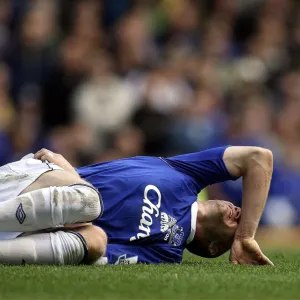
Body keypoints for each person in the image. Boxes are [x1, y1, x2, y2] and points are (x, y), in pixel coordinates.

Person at [32, 145, 273, 266]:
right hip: (41, 175)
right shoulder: (188, 175)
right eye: (243, 216)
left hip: (38, 222)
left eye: (239, 224)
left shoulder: (165, 254)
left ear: (212, 249)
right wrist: (245, 235)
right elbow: (258, 158)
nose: (240, 212)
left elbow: (93, 250)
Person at [0, 153, 107, 265]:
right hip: (29, 184)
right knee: (88, 201)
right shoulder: (126, 172)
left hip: (37, 229)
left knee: (96, 240)